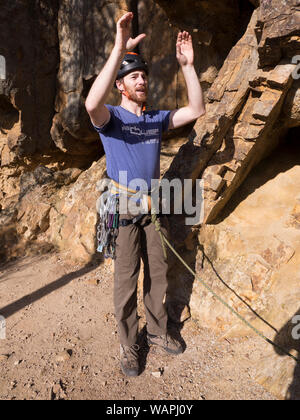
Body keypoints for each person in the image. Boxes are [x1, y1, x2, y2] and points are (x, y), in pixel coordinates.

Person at [85, 12, 205, 377]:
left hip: (153, 208)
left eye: (144, 77)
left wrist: (187, 66)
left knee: (157, 273)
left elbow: (196, 110)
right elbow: (91, 104)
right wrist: (119, 48)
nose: (142, 82)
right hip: (122, 212)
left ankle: (155, 332)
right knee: (125, 281)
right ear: (121, 86)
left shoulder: (153, 120)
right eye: (134, 76)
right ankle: (128, 345)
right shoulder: (112, 120)